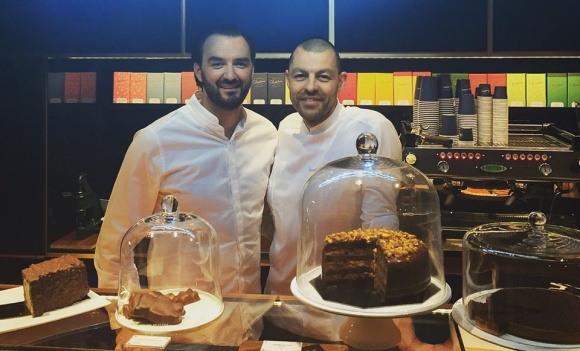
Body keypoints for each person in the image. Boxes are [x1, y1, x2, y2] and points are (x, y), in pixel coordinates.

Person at [94, 25, 277, 297]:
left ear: (252, 69)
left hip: (247, 317)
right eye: (217, 64)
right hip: (183, 324)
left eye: (240, 63)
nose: (230, 74)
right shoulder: (155, 141)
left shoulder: (266, 134)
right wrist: (119, 315)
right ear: (198, 71)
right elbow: (116, 243)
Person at [264, 38, 402, 340]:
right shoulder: (283, 129)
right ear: (288, 80)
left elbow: (383, 229)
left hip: (345, 320)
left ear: (341, 82)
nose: (310, 86)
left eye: (322, 76)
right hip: (280, 310)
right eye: (301, 76)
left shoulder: (372, 129)